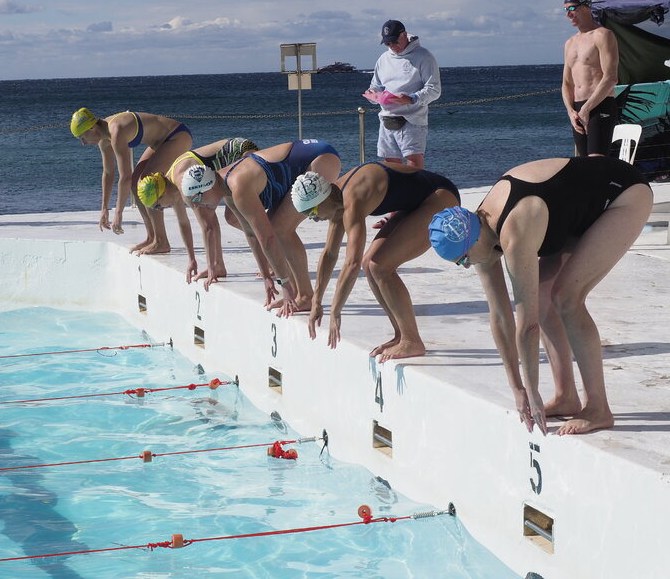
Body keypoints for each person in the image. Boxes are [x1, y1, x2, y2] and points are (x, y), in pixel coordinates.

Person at [428, 156, 652, 436]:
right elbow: (499, 316)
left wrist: (532, 390)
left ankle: (598, 408)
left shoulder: (514, 230)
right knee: (546, 301)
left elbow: (527, 323)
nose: (466, 267)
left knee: (567, 299)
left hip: (623, 194)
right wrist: (517, 389)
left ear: (470, 241)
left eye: (463, 260)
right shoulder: (477, 230)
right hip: (573, 209)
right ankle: (565, 396)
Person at [290, 163, 459, 361]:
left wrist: (335, 310)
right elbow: (329, 254)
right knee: (369, 263)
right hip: (415, 203)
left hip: (439, 198)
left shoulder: (353, 198)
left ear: (322, 199)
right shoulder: (334, 198)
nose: (314, 219)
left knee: (380, 266)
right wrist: (317, 302)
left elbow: (351, 263)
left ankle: (412, 341)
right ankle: (401, 335)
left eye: (312, 212)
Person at [180, 140, 341, 315]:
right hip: (304, 161)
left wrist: (283, 283)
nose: (197, 205)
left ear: (207, 188)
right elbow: (251, 233)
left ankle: (304, 296)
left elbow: (267, 237)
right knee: (268, 225)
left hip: (320, 160)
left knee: (280, 229)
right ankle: (298, 293)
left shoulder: (238, 187)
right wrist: (266, 276)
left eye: (197, 199)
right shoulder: (224, 186)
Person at [70, 108, 192, 254]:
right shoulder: (104, 140)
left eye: (82, 137)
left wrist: (118, 213)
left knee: (148, 183)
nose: (83, 143)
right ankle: (152, 236)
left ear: (92, 128)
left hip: (176, 136)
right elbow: (108, 174)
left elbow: (124, 176)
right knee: (136, 183)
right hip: (160, 143)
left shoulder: (116, 130)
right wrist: (104, 208)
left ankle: (161, 242)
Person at [140, 138, 259, 284]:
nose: (161, 209)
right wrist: (192, 260)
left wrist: (210, 268)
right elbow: (184, 223)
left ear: (162, 194)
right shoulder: (171, 181)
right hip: (236, 154)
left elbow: (208, 228)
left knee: (239, 219)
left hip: (242, 153)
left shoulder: (185, 186)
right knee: (232, 218)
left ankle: (274, 257)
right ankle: (220, 265)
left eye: (157, 206)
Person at [364, 20, 441, 170]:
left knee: (413, 162)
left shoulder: (424, 56)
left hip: (412, 119)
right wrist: (372, 94)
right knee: (391, 165)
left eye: (395, 41)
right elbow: (376, 85)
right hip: (387, 117)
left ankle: (417, 193)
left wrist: (412, 99)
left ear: (404, 35)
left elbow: (434, 89)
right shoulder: (383, 59)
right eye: (388, 43)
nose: (392, 46)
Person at [561, 0, 619, 157]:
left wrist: (587, 109)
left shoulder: (603, 35)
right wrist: (571, 112)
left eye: (572, 8)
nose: (568, 14)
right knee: (584, 166)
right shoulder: (569, 43)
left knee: (596, 164)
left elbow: (610, 77)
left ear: (586, 7)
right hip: (578, 110)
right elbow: (566, 83)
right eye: (566, 10)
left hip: (599, 104)